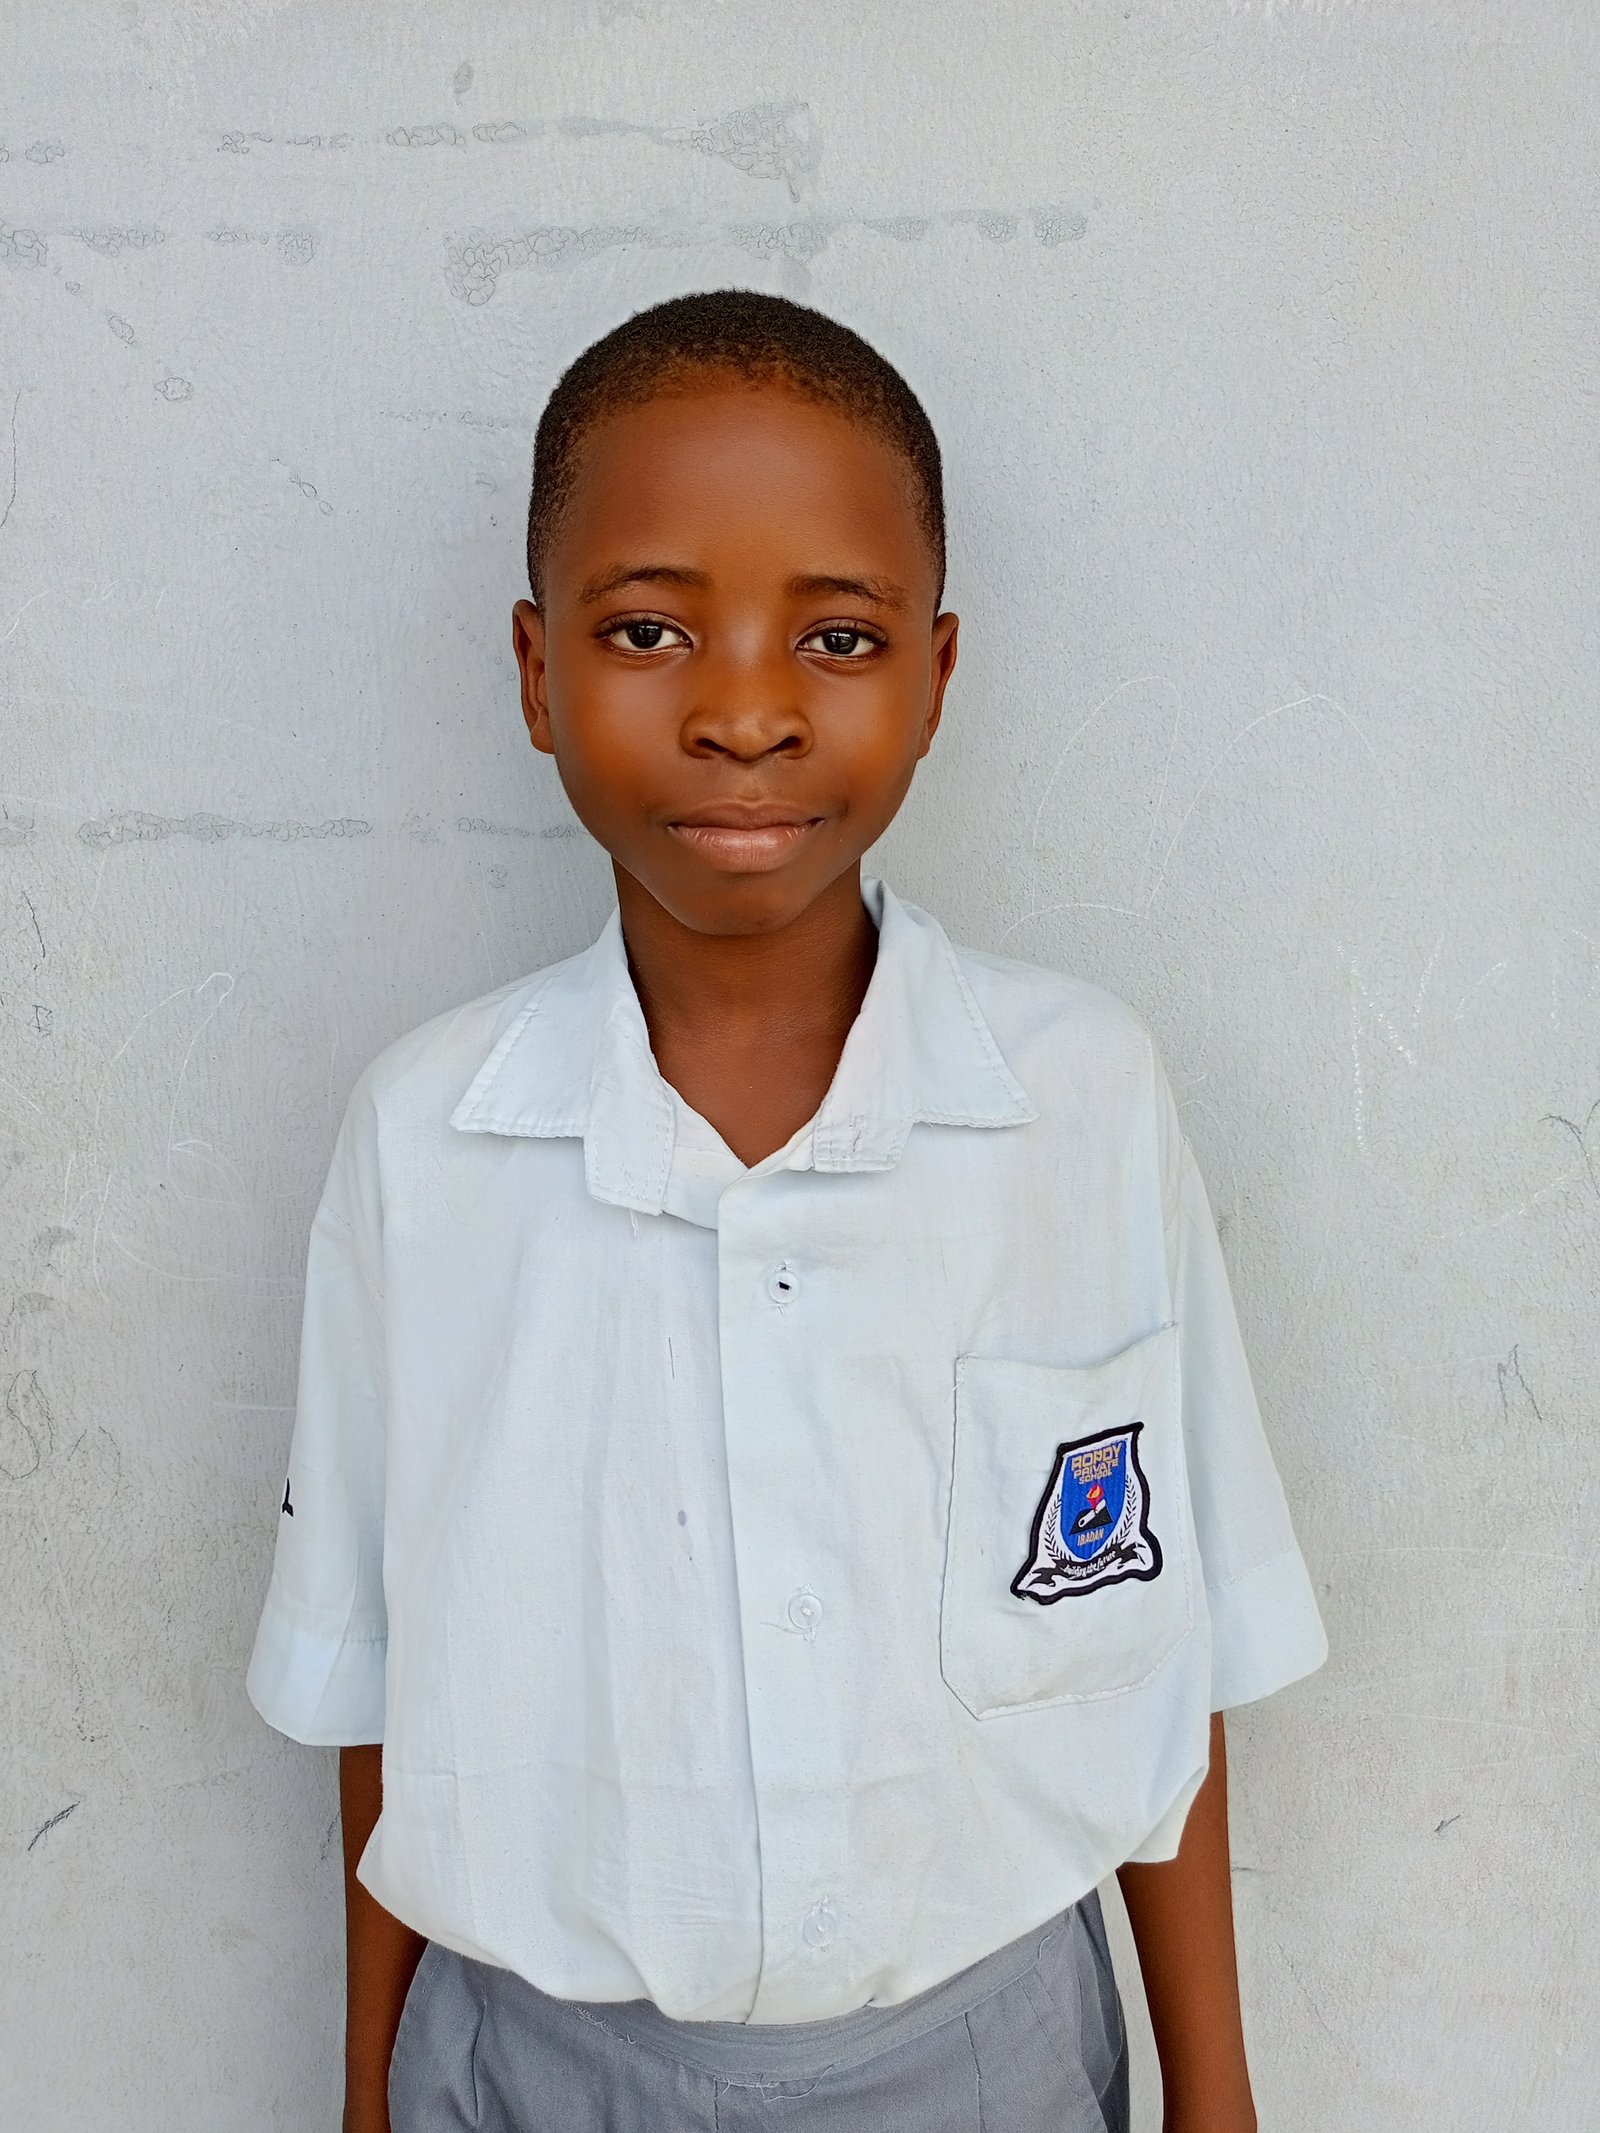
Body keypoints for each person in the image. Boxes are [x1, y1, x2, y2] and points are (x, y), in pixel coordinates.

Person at [246, 289, 1327, 2133]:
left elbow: (1163, 1656)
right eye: (648, 629)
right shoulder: (427, 1141)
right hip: (537, 2068)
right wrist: (366, 2102)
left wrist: (1216, 2102)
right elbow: (373, 1688)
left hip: (986, 2063)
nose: (744, 712)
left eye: (837, 637)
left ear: (936, 675)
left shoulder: (1081, 1102)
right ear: (534, 671)